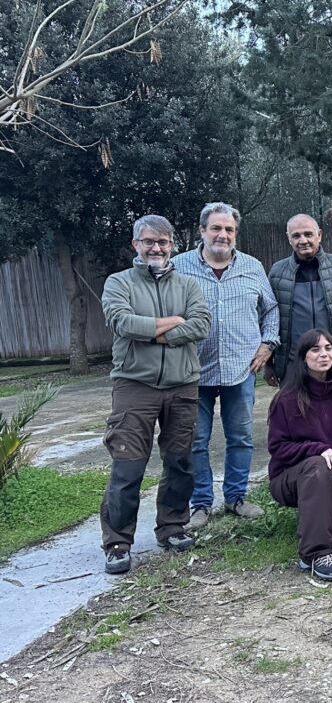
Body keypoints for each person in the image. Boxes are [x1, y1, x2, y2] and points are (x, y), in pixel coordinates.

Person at [99, 215, 212, 574]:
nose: (157, 248)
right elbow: (121, 323)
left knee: (180, 461)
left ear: (172, 245)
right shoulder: (119, 283)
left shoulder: (190, 285)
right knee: (128, 465)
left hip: (182, 385)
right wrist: (172, 324)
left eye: (163, 242)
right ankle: (117, 542)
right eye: (149, 241)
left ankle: (172, 526)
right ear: (136, 244)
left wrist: (150, 332)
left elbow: (202, 324)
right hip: (135, 385)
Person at [172, 202, 280, 530]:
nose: (223, 234)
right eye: (216, 228)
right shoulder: (178, 267)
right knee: (196, 439)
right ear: (201, 231)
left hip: (240, 369)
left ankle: (236, 497)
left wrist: (268, 344)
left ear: (235, 233)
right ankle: (201, 503)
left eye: (229, 229)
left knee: (242, 436)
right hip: (194, 370)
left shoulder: (251, 267)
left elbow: (271, 308)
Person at [266, 329, 332, 581]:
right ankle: (315, 554)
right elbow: (278, 448)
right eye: (315, 349)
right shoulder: (287, 399)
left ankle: (315, 517)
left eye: (328, 348)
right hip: (290, 476)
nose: (323, 354)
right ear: (303, 357)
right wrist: (319, 449)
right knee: (317, 466)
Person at [266, 213, 332, 384]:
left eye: (308, 234)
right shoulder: (277, 273)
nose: (303, 240)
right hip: (292, 364)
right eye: (296, 236)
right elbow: (268, 318)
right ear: (289, 239)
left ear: (319, 235)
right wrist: (269, 363)